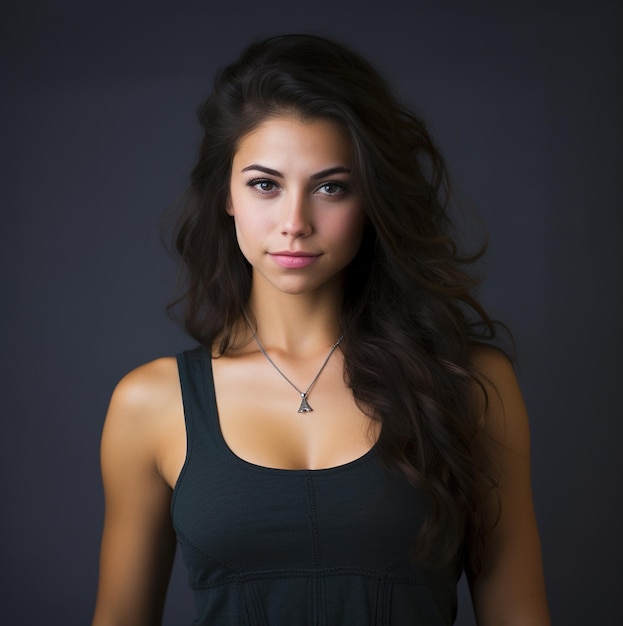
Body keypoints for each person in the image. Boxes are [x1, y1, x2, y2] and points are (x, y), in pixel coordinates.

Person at [92, 33, 550, 625]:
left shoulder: (469, 386)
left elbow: (520, 615)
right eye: (265, 184)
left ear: (371, 199)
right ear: (226, 195)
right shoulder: (150, 405)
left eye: (331, 187)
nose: (295, 223)